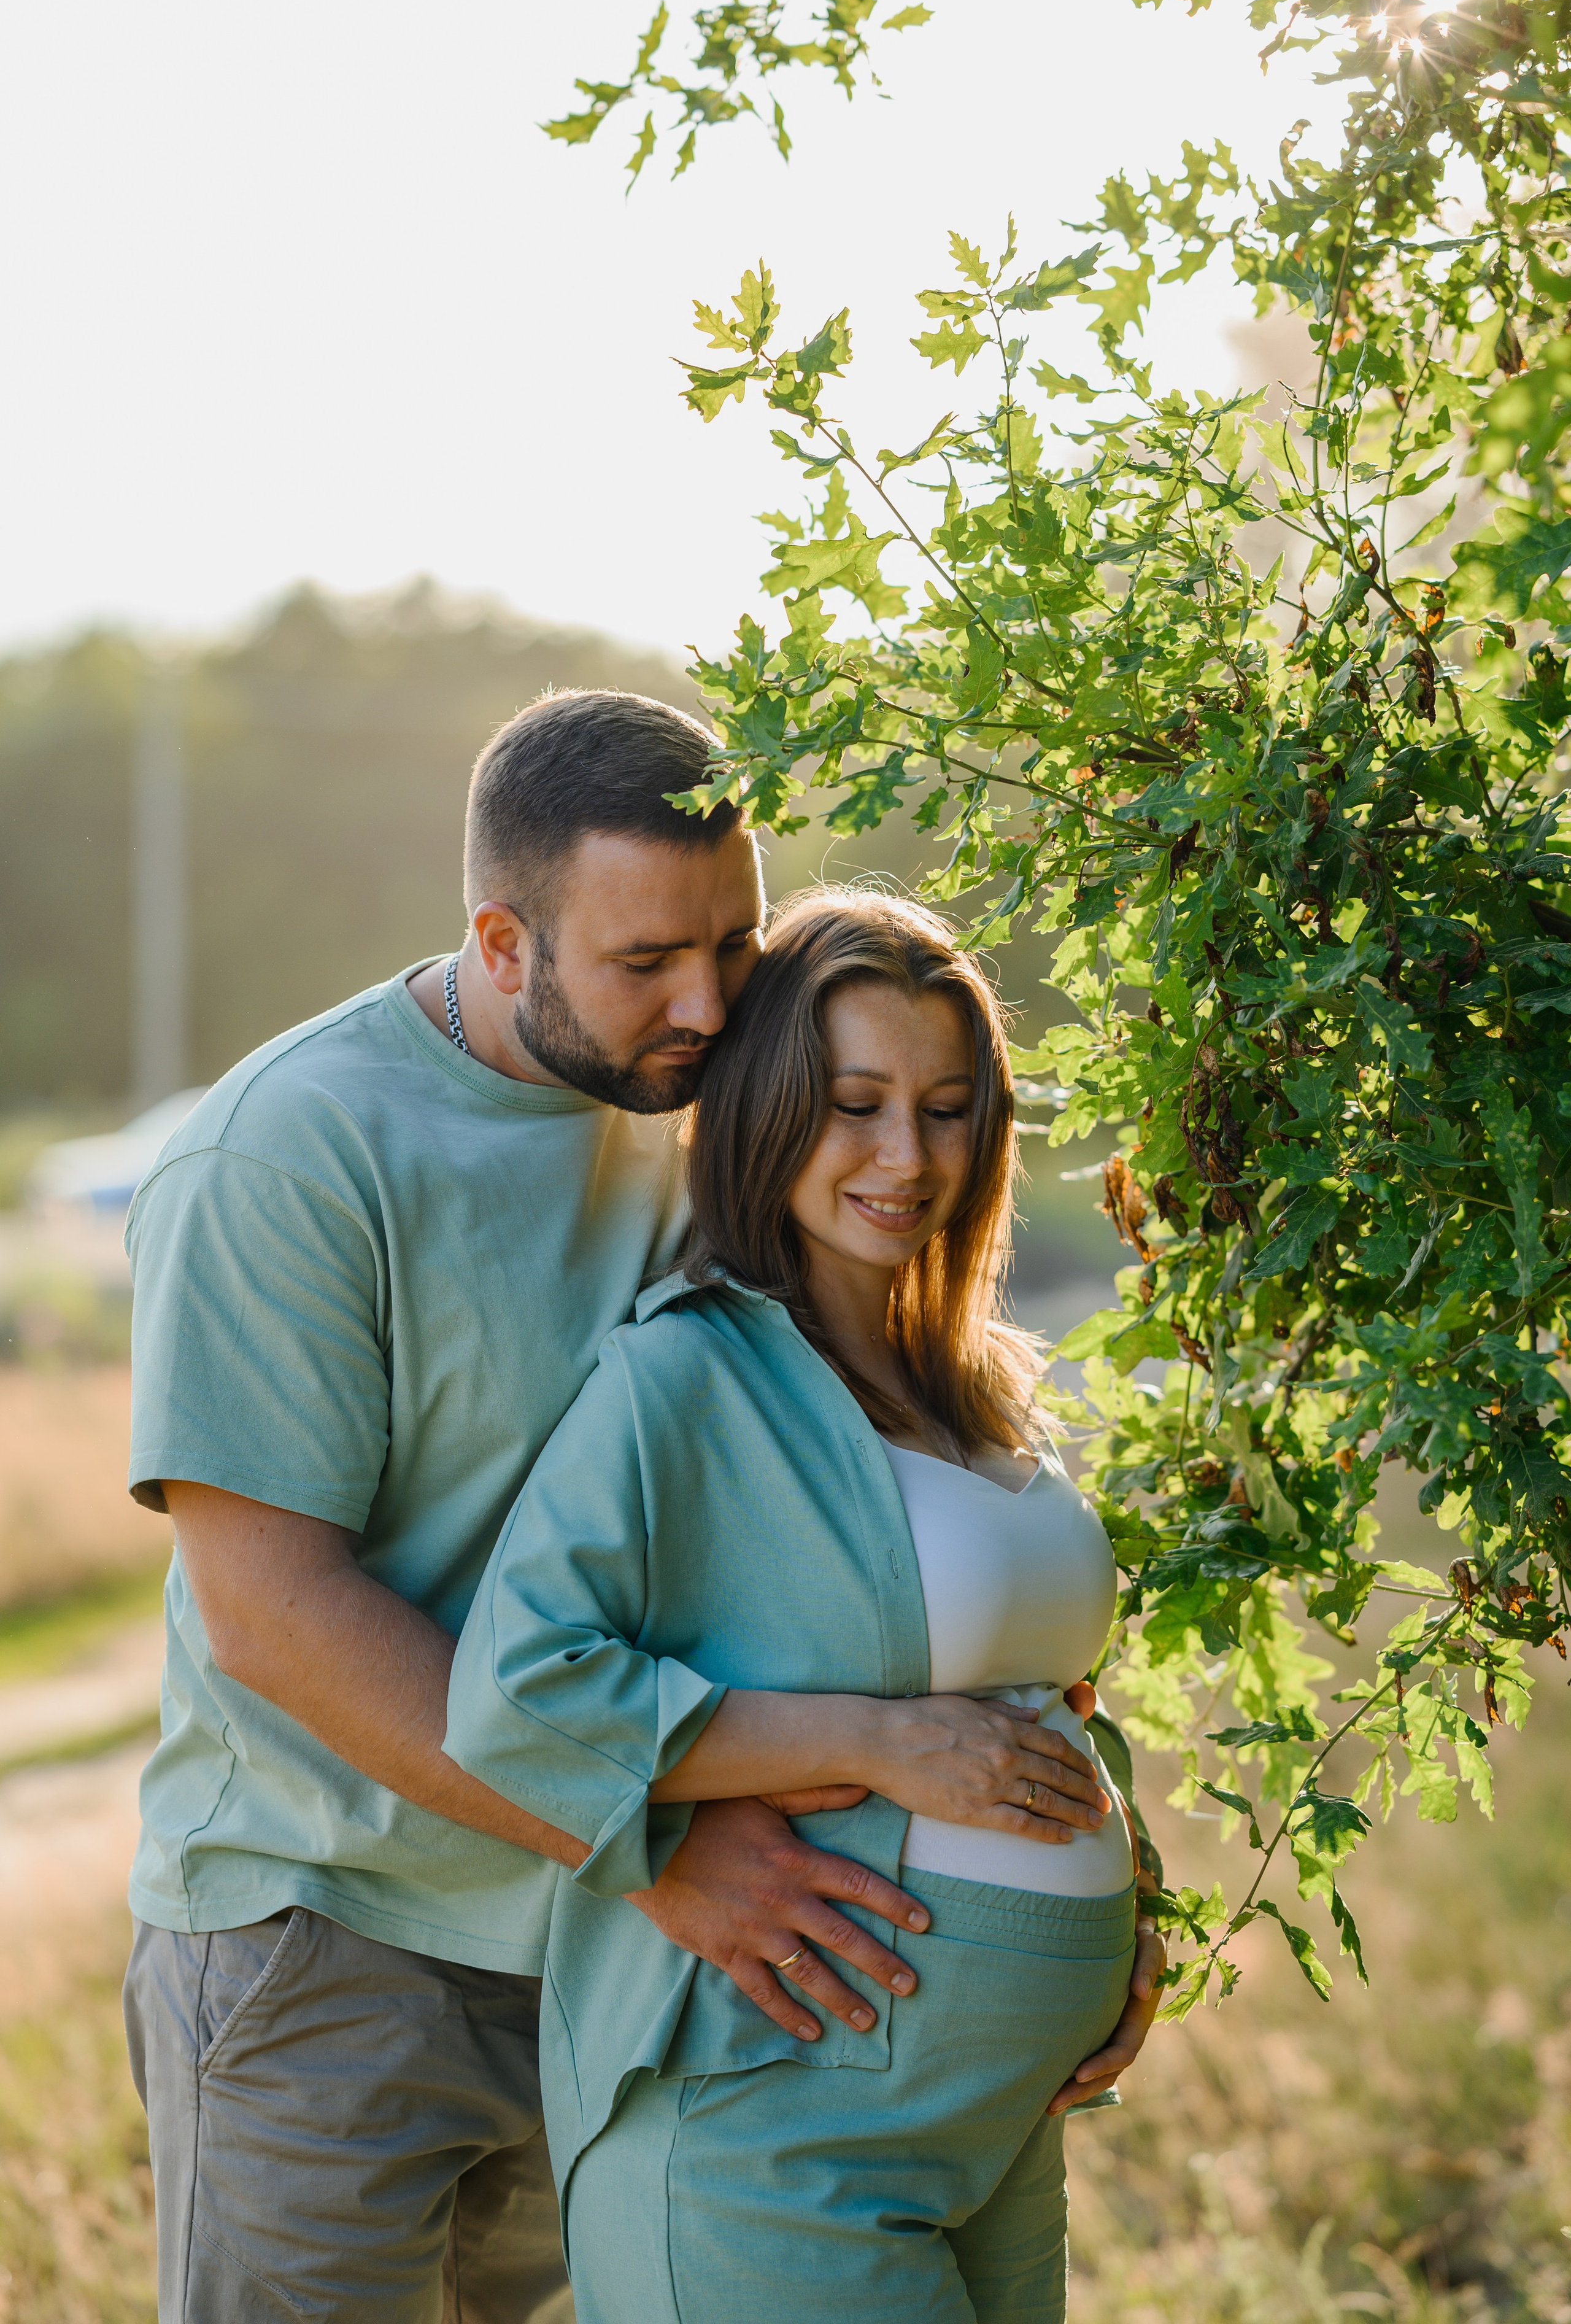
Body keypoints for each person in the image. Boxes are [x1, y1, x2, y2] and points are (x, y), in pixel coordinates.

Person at [118, 691, 1125, 2324]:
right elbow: (272, 1616)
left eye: (731, 944)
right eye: (647, 961)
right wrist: (647, 1838)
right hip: (335, 1940)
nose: (710, 1001)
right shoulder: (293, 1156)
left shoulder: (709, 1118)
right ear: (502, 943)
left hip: (609, 1965)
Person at [446, 886, 1167, 2324]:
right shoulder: (685, 1378)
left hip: (996, 2127)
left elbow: (1036, 1696)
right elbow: (515, 1692)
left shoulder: (976, 1392)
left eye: (950, 1108)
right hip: (770, 2134)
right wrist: (877, 1742)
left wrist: (1124, 1893)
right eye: (855, 1103)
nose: (909, 1156)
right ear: (771, 1106)